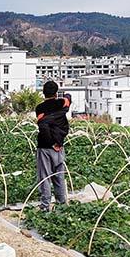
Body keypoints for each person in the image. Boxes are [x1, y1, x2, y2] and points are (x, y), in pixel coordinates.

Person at [35, 81, 71, 211]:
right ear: (56, 93)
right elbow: (68, 97)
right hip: (59, 146)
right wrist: (56, 144)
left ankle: (45, 206)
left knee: (45, 177)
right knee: (59, 176)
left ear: (43, 93)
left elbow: (43, 128)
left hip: (45, 146)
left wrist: (51, 143)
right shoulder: (62, 104)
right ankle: (61, 205)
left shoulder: (40, 108)